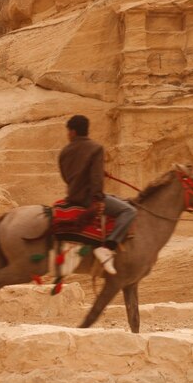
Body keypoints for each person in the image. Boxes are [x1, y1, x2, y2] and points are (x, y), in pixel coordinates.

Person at [58, 114, 137, 275]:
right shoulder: (96, 148)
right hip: (89, 198)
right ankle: (108, 247)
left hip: (73, 195)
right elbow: (95, 179)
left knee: (116, 198)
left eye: (68, 131)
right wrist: (97, 199)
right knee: (129, 211)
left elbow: (66, 176)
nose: (68, 134)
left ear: (73, 132)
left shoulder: (65, 151)